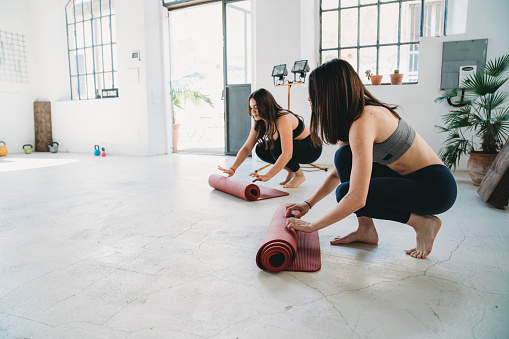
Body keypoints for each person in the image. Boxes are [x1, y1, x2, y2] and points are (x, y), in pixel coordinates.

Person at [285, 59, 457, 259]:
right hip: (411, 180)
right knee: (343, 156)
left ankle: (423, 223)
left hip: (436, 189)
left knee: (345, 192)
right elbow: (337, 172)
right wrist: (308, 204)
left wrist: (314, 226)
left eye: (314, 92)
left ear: (330, 94)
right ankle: (365, 230)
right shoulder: (353, 119)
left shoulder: (364, 120)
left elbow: (356, 198)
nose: (309, 98)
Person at [218, 88, 322, 188]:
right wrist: (233, 168)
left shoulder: (282, 118)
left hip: (311, 148)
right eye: (251, 108)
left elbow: (287, 153)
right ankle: (291, 170)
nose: (253, 111)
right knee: (261, 149)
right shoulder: (259, 122)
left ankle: (299, 175)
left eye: (256, 107)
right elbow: (246, 148)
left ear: (266, 106)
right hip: (296, 147)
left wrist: (268, 175)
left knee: (277, 148)